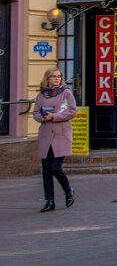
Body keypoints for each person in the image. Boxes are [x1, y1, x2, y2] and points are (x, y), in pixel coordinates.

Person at [34, 67, 76, 212]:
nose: (57, 79)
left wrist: (54, 117)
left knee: (55, 167)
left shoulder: (66, 93)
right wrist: (42, 118)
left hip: (61, 135)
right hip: (46, 135)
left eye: (59, 76)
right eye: (54, 76)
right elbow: (35, 114)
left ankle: (68, 190)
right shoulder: (41, 95)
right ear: (48, 78)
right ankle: (50, 201)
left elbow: (72, 111)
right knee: (46, 170)